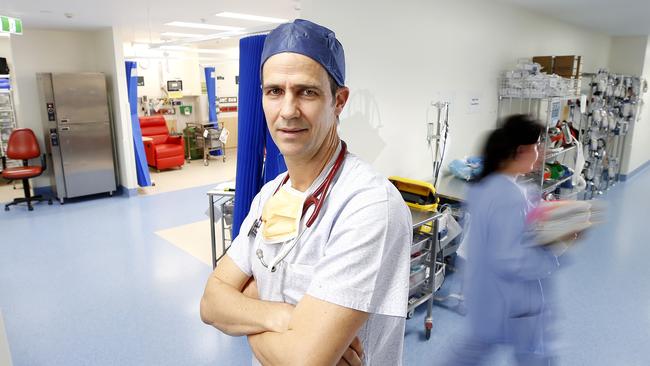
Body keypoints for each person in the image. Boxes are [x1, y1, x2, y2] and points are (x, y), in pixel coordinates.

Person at [200, 19, 412, 366]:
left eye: (307, 91)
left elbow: (303, 360)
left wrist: (248, 305)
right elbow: (211, 303)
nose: (287, 110)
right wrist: (282, 316)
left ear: (339, 101)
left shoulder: (370, 205)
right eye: (274, 91)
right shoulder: (269, 194)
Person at [442, 114, 561, 366]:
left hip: (487, 295)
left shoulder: (487, 186)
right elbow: (511, 257)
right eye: (537, 146)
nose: (540, 152)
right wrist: (552, 252)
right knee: (535, 357)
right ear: (521, 150)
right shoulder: (509, 196)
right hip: (516, 301)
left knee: (472, 351)